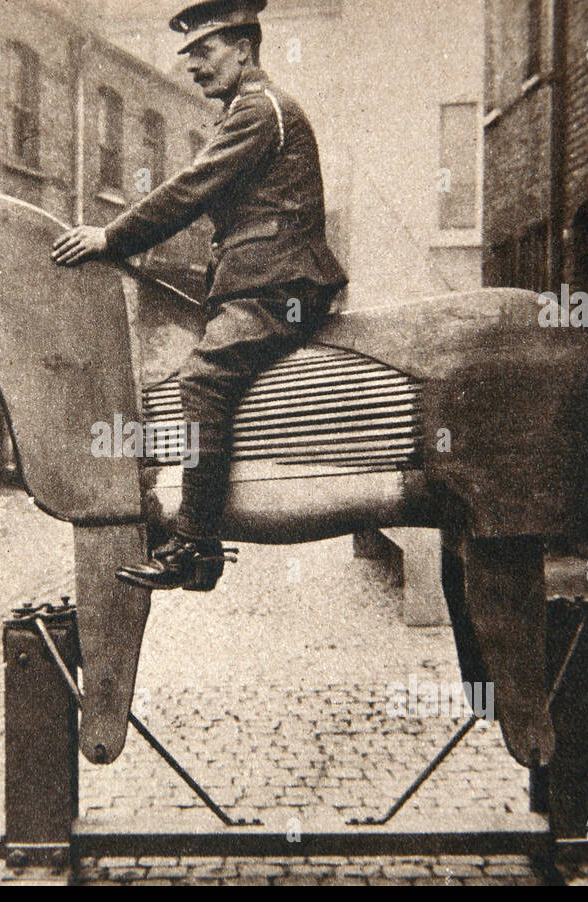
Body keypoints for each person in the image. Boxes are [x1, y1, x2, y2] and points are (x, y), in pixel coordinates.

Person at [52, 0, 347, 591]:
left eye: (205, 51)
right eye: (189, 55)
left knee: (203, 377)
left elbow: (189, 191)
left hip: (279, 284)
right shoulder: (249, 110)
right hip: (258, 279)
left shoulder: (260, 111)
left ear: (244, 48)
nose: (192, 66)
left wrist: (110, 236)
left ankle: (194, 544)